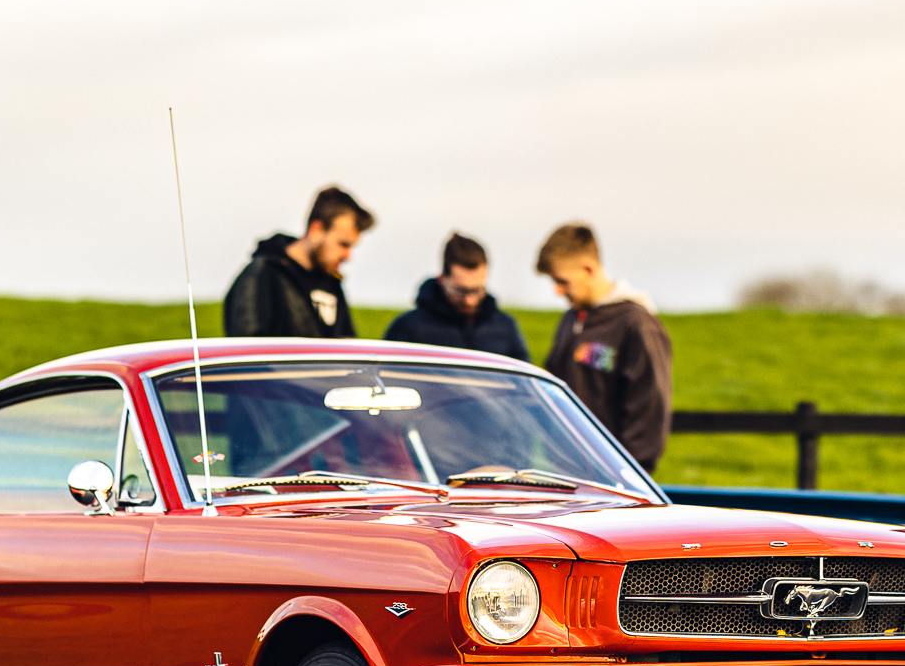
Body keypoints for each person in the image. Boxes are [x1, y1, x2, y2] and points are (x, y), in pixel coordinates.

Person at [535, 222, 673, 472]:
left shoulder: (637, 324)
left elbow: (649, 408)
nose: (557, 292)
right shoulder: (570, 320)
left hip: (614, 483)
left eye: (562, 281)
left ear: (588, 269)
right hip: (566, 476)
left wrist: (628, 475)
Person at [223, 187, 375, 339]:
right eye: (343, 244)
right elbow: (251, 352)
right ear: (316, 230)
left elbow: (347, 347)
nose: (348, 256)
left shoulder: (331, 282)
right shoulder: (262, 275)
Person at [383, 233, 531, 362]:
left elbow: (525, 385)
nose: (469, 300)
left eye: (477, 290)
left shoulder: (505, 328)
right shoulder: (408, 328)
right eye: (461, 291)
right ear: (442, 279)